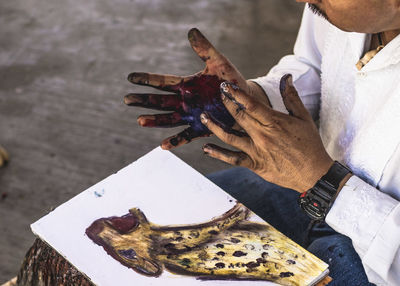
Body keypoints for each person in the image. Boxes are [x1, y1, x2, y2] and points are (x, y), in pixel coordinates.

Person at [124, 1, 400, 285]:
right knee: (165, 211)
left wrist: (324, 183)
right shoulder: (341, 9)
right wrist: (254, 100)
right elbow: (317, 66)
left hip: (380, 259)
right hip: (303, 185)